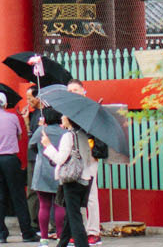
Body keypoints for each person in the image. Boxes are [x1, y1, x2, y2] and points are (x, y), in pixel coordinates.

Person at [0, 92, 38, 243]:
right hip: (10, 158)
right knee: (18, 195)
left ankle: (1, 234)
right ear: (6, 105)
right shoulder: (13, 117)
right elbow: (19, 136)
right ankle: (26, 232)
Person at [41, 113, 96, 247]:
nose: (61, 118)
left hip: (72, 180)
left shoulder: (68, 136)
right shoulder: (83, 135)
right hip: (84, 179)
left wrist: (47, 145)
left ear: (70, 119)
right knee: (70, 216)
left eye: (64, 116)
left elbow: (60, 159)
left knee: (74, 217)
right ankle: (62, 244)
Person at [67, 80, 104, 246]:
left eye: (76, 89)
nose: (73, 92)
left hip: (88, 155)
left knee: (90, 195)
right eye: (70, 90)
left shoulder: (91, 108)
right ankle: (78, 230)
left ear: (84, 91)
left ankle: (94, 231)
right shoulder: (67, 110)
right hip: (73, 155)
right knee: (75, 195)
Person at [29, 108, 68, 243]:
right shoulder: (65, 132)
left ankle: (44, 239)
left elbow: (32, 145)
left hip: (42, 172)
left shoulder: (41, 131)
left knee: (44, 205)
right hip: (59, 171)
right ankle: (59, 237)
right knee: (59, 205)